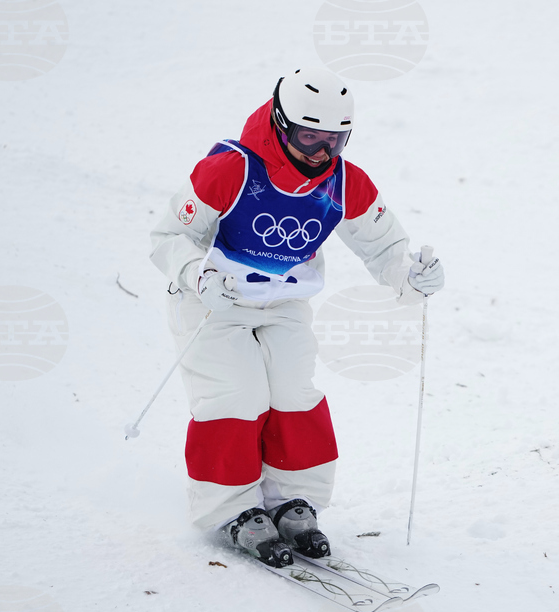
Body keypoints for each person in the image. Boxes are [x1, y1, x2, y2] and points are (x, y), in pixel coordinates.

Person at [149, 67, 444, 567]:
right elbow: (168, 238)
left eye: (335, 139)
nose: (322, 153)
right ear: (282, 124)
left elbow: (385, 246)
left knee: (294, 394)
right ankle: (233, 509)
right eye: (309, 137)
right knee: (236, 394)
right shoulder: (231, 168)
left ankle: (290, 500)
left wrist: (409, 277)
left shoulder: (344, 180)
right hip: (212, 302)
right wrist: (197, 273)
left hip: (285, 302)